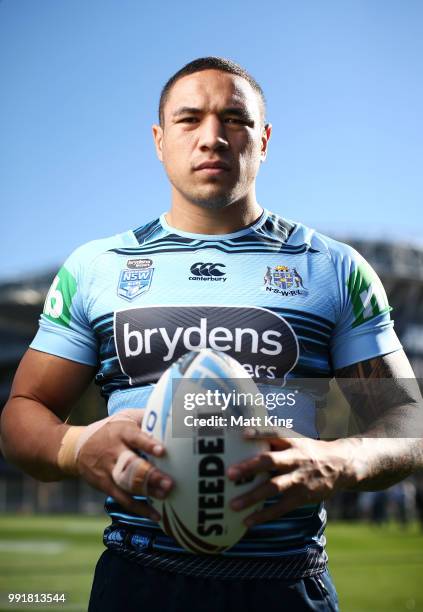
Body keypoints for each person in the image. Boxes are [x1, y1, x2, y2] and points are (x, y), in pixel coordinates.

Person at [1, 57, 422, 612]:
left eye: (235, 119)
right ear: (158, 139)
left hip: (287, 583)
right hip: (137, 578)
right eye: (189, 119)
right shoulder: (97, 267)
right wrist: (79, 446)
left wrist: (335, 460)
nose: (213, 138)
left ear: (263, 139)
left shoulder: (334, 268)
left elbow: (408, 423)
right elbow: (23, 409)